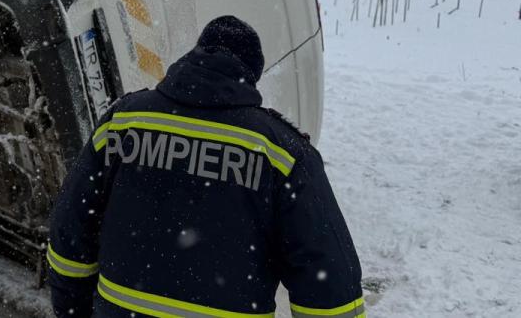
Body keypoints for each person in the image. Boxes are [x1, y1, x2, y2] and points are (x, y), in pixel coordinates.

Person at [47, 16, 364, 318]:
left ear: (192, 57)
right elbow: (329, 278)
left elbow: (70, 230)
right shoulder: (283, 153)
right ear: (251, 76)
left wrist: (72, 308)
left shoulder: (122, 122)